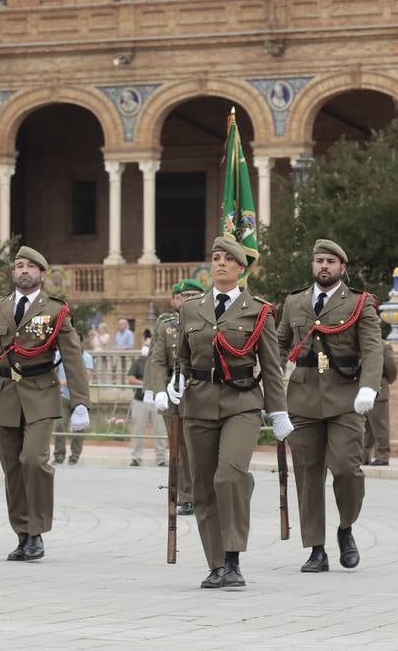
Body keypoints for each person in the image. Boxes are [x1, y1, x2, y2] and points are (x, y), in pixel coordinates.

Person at [168, 236, 291, 590]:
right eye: (215, 258)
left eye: (228, 259)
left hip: (242, 403)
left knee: (229, 476)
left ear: (240, 268)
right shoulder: (192, 309)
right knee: (204, 489)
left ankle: (234, 558)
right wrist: (174, 383)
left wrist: (278, 411)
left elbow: (270, 366)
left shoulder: (259, 310)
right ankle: (216, 564)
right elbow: (183, 356)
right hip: (198, 402)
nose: (220, 263)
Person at [275, 239, 384, 573]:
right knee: (307, 475)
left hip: (345, 398)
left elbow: (373, 349)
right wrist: (270, 386)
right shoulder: (294, 302)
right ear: (313, 265)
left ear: (342, 268)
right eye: (319, 260)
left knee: (347, 469)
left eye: (330, 262)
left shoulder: (359, 303)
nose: (324, 266)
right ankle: (316, 548)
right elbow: (278, 345)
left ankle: (345, 527)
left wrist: (368, 387)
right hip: (302, 398)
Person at [0, 247, 89, 562]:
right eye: (18, 266)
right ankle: (22, 533)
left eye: (30, 267)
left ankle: (37, 531)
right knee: (12, 466)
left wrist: (81, 402)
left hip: (40, 394)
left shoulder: (55, 310)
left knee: (33, 460)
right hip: (4, 395)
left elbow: (72, 357)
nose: (23, 271)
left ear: (42, 273)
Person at [149, 280, 204, 514]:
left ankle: (205, 492)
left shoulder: (210, 322)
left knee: (202, 446)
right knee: (179, 447)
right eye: (185, 295)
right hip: (175, 391)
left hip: (203, 389)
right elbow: (157, 360)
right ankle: (187, 495)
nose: (189, 300)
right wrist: (157, 391)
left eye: (195, 295)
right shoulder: (167, 326)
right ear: (175, 300)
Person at [52, 345, 94, 465]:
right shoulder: (60, 355)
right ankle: (59, 456)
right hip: (63, 396)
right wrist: (58, 381)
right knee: (59, 425)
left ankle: (75, 456)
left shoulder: (87, 357)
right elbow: (52, 370)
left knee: (79, 428)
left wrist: (69, 382)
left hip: (80, 398)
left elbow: (88, 375)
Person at [126, 342, 163, 467]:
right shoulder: (139, 362)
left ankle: (161, 458)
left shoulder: (163, 362)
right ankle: (136, 457)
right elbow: (130, 379)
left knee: (160, 431)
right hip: (140, 401)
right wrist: (144, 383)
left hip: (158, 402)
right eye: (146, 344)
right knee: (138, 431)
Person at [364, 339, 398, 466]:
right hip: (362, 389)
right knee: (365, 426)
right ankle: (364, 455)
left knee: (380, 425)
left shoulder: (383, 346)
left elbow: (392, 370)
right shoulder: (361, 343)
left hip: (378, 387)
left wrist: (384, 382)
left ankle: (382, 455)